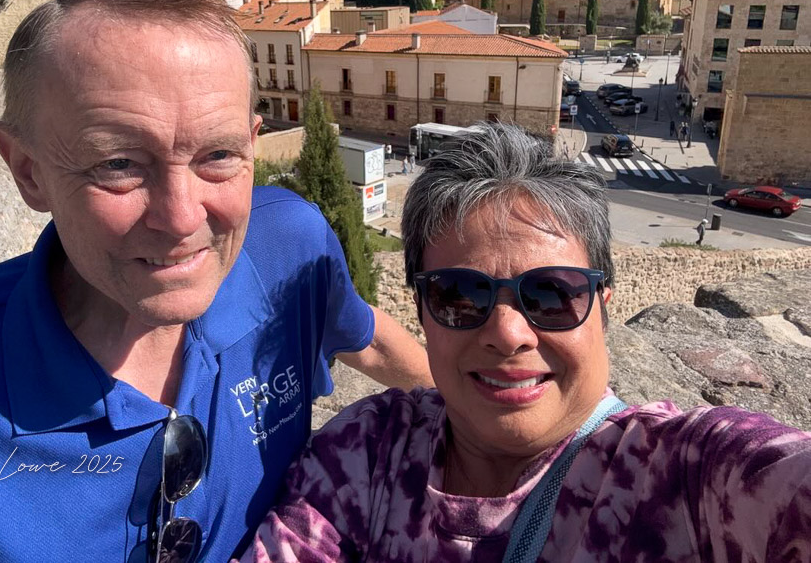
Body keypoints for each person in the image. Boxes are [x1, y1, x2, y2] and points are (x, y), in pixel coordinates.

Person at [0, 0, 432, 562]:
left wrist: (515, 453)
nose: (180, 218)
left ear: (254, 144)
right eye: (118, 165)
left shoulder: (288, 247)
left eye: (219, 154)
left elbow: (371, 340)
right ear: (27, 170)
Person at [241, 122, 811, 562]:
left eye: (550, 294)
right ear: (422, 312)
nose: (508, 334)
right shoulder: (364, 453)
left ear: (602, 308)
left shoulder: (685, 479)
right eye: (460, 296)